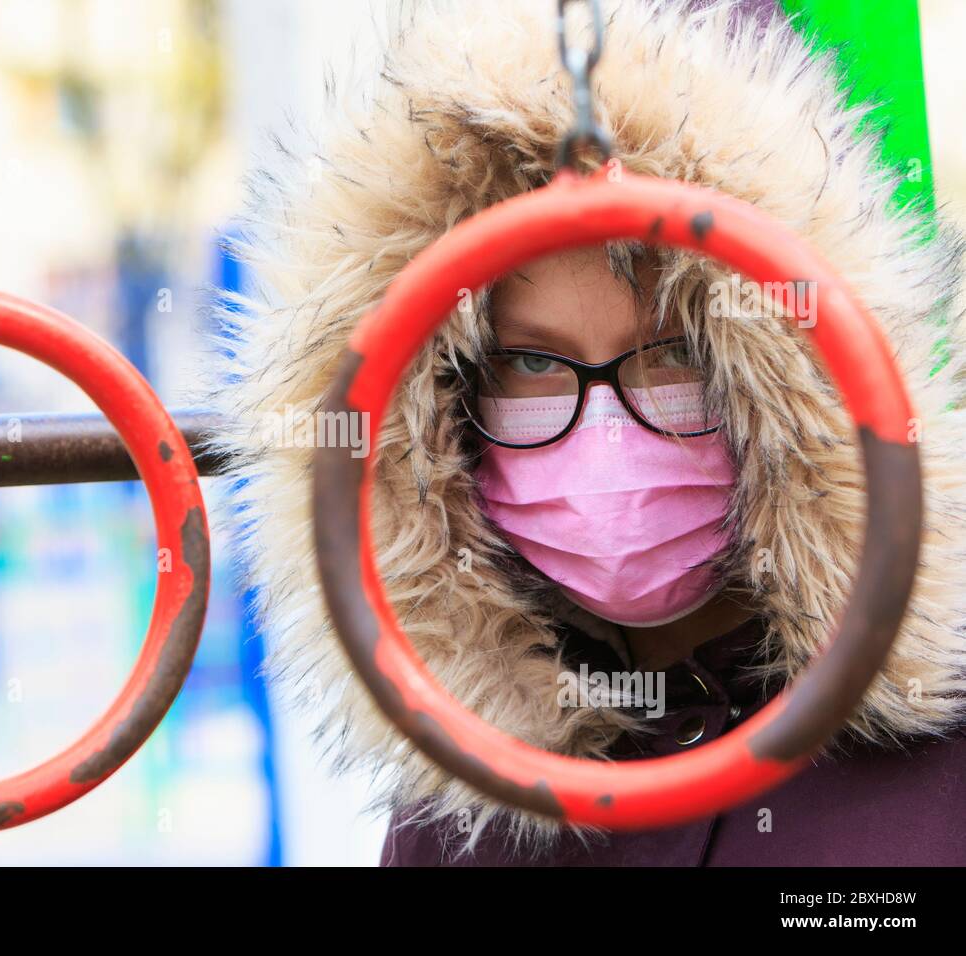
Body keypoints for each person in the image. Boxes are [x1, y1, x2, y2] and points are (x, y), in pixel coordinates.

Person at [211, 0, 966, 864]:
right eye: (533, 364)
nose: (606, 436)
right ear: (449, 411)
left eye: (670, 355)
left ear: (787, 380)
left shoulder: (938, 776)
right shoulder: (469, 811)